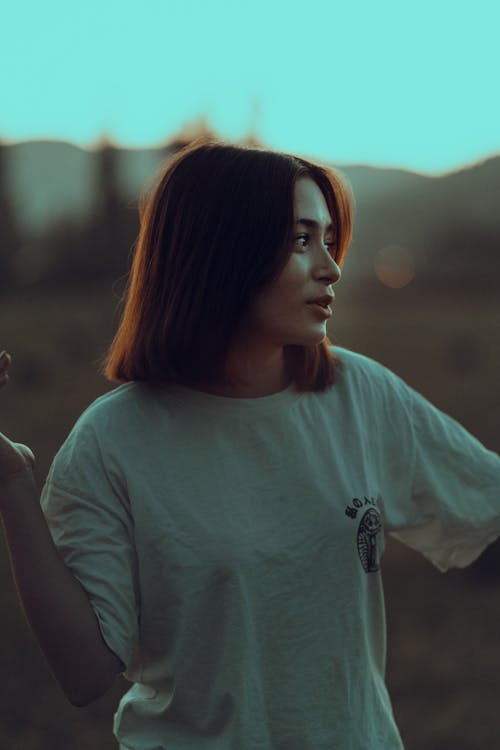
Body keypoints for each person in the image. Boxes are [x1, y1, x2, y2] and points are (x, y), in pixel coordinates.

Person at [0, 138, 499, 750]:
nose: (331, 267)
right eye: (300, 239)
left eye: (327, 238)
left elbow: (490, 507)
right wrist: (12, 482)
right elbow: (83, 675)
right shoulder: (112, 441)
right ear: (220, 253)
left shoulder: (360, 396)